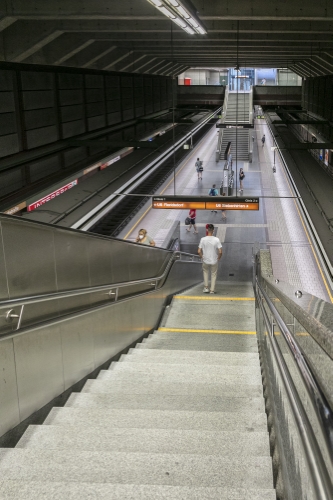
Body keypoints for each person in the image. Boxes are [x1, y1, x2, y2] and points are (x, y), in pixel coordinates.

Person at [198, 224, 222, 294]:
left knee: (205, 272)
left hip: (205, 260)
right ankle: (212, 290)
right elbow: (220, 251)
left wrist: (201, 256)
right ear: (213, 231)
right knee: (213, 274)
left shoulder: (203, 239)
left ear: (207, 230)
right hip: (214, 260)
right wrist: (219, 257)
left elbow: (199, 251)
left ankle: (206, 288)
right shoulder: (216, 239)